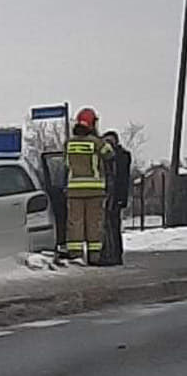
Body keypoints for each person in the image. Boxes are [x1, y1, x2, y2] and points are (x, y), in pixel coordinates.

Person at [64, 108, 114, 264]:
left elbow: (66, 163)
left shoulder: (68, 143)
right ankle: (94, 257)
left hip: (74, 190)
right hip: (94, 190)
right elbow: (110, 154)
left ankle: (75, 255)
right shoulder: (96, 143)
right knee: (94, 223)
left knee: (75, 223)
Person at [99, 130, 131, 265]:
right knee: (108, 224)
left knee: (112, 224)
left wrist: (121, 198)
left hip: (114, 195)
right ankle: (111, 253)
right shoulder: (113, 155)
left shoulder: (121, 156)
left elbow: (123, 178)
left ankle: (115, 254)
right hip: (108, 194)